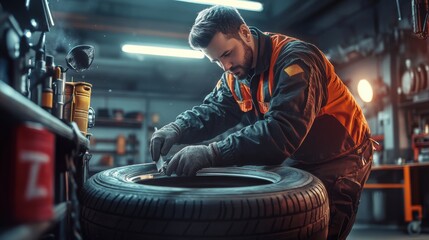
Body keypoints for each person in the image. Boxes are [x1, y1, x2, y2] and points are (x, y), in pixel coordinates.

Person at [150, 5, 373, 240]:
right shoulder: (235, 76)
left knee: (321, 231)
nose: (225, 67)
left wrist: (212, 153)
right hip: (299, 156)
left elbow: (281, 132)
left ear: (245, 33)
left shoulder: (296, 60)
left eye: (227, 54)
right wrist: (178, 128)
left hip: (341, 158)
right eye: (216, 61)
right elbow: (214, 110)